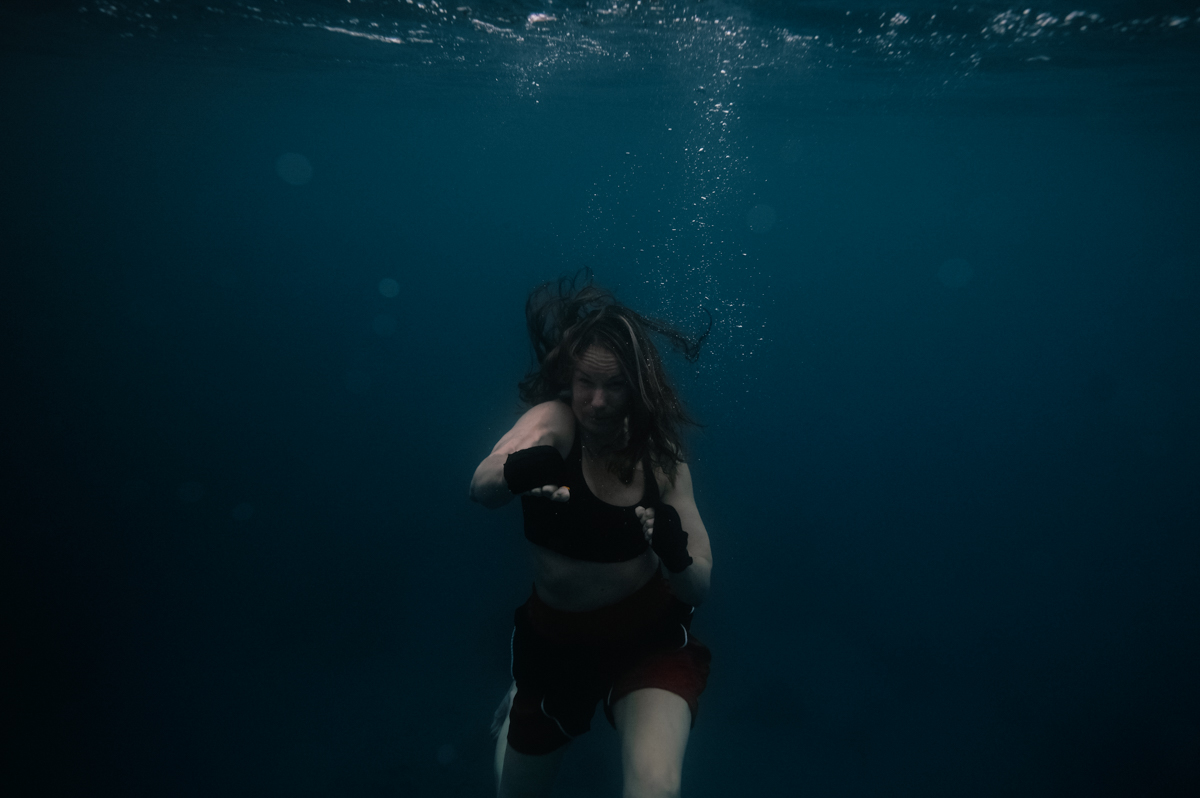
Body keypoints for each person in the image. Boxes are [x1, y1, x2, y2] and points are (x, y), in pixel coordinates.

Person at [470, 274, 714, 798]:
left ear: (637, 385)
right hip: (556, 645)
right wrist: (515, 472)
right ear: (569, 379)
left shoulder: (662, 460)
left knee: (656, 788)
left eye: (615, 385)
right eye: (586, 383)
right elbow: (482, 486)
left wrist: (675, 555)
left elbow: (698, 587)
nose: (598, 402)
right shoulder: (553, 422)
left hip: (648, 640)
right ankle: (520, 700)